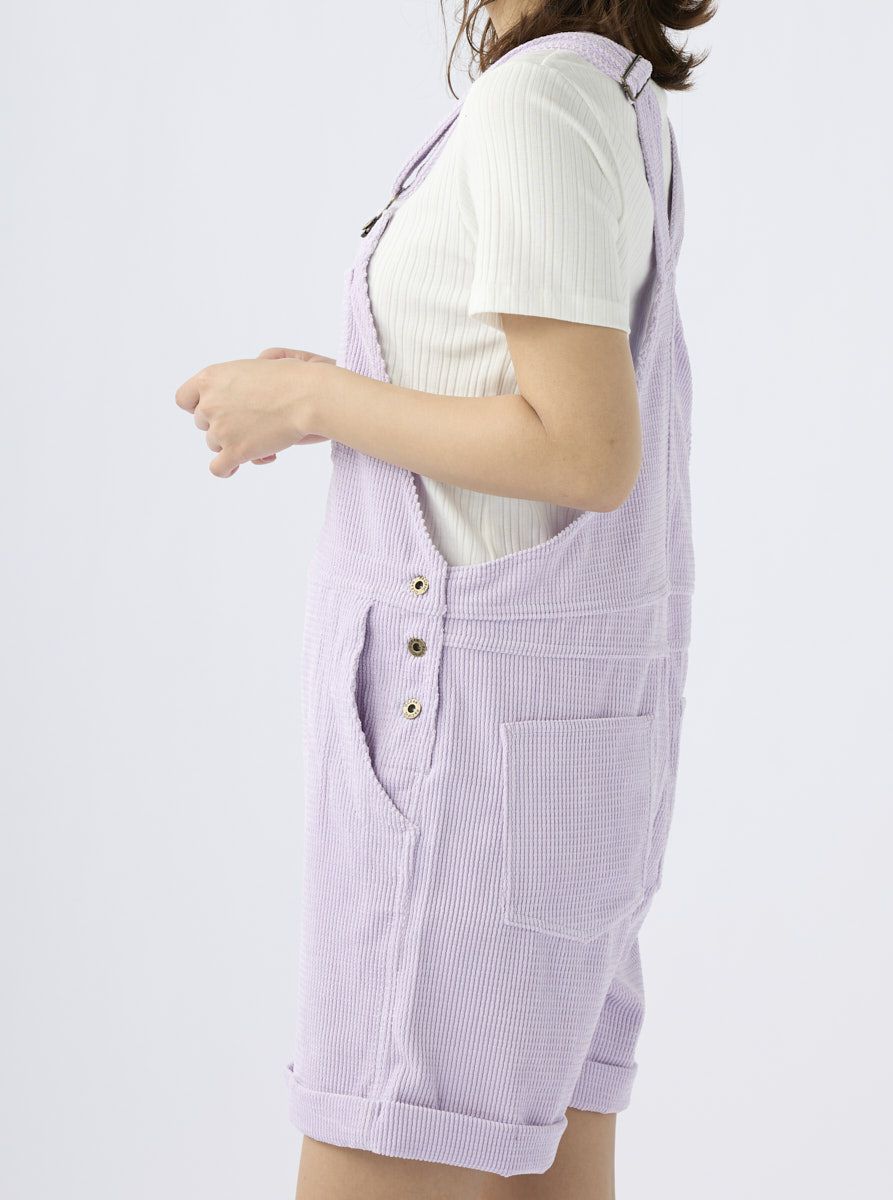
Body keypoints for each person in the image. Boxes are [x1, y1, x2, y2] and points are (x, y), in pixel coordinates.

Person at [174, 1, 715, 1196]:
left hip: (461, 764)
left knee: (387, 1133)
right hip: (563, 760)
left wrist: (313, 403)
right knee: (537, 1168)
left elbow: (583, 451)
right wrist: (349, 389)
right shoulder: (606, 92)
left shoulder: (536, 100)